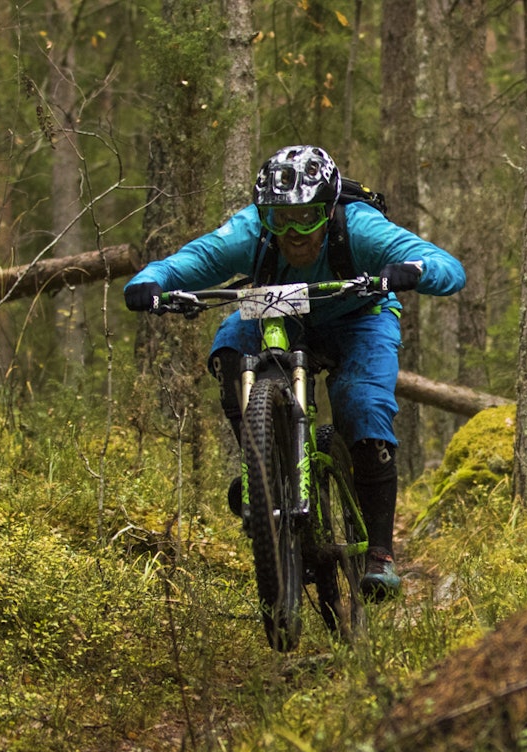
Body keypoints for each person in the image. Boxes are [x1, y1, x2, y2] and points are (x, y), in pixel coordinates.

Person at [124, 145, 465, 600]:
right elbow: (188, 261)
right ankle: (262, 465)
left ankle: (380, 553)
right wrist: (149, 283)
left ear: (326, 212)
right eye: (279, 219)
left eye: (306, 218)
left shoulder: (359, 227)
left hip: (360, 316)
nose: (293, 232)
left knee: (363, 406)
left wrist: (415, 270)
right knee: (229, 348)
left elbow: (448, 268)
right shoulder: (249, 232)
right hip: (280, 312)